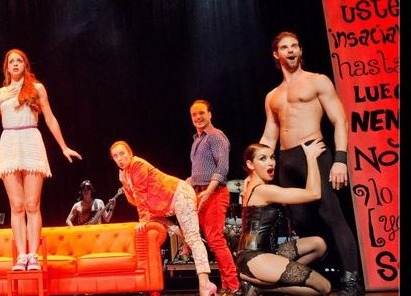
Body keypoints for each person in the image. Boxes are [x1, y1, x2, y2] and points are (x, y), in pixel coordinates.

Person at [260, 31, 361, 296]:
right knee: (300, 222)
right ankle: (313, 279)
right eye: (285, 47)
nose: (291, 50)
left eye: (295, 46)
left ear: (300, 51)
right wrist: (256, 166)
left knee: (332, 215)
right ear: (276, 54)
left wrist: (340, 160)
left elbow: (340, 120)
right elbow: (270, 135)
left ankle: (351, 281)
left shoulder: (317, 81)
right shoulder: (272, 96)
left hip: (313, 153)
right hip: (287, 160)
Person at [0, 48, 82, 271]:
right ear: (6, 67)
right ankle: (22, 256)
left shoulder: (37, 88)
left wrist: (64, 147)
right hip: (9, 143)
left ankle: (33, 255)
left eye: (19, 61)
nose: (15, 64)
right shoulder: (0, 93)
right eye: (12, 61)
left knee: (31, 204)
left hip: (31, 140)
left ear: (25, 65)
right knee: (17, 205)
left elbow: (50, 118)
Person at [110, 140, 217, 296]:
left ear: (130, 153)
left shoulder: (137, 165)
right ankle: (182, 236)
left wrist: (143, 221)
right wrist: (124, 182)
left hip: (179, 194)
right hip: (163, 206)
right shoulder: (125, 174)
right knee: (155, 221)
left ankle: (205, 283)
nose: (119, 158)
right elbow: (133, 201)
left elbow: (140, 196)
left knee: (193, 237)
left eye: (122, 154)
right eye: (115, 156)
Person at [235, 142, 332, 295]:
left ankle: (270, 279)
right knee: (324, 288)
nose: (271, 162)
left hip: (268, 251)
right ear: (250, 164)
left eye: (272, 157)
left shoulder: (250, 186)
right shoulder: (263, 190)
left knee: (318, 244)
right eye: (263, 158)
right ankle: (260, 288)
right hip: (254, 257)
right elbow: (314, 193)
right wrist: (311, 157)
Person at [187, 100, 240, 295]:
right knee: (211, 240)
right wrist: (185, 184)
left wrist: (207, 192)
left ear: (210, 114)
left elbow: (222, 168)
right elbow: (198, 173)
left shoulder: (216, 136)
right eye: (194, 114)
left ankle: (233, 286)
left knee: (216, 240)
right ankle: (226, 285)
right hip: (201, 192)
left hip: (214, 193)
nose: (198, 117)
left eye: (201, 113)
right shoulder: (197, 139)